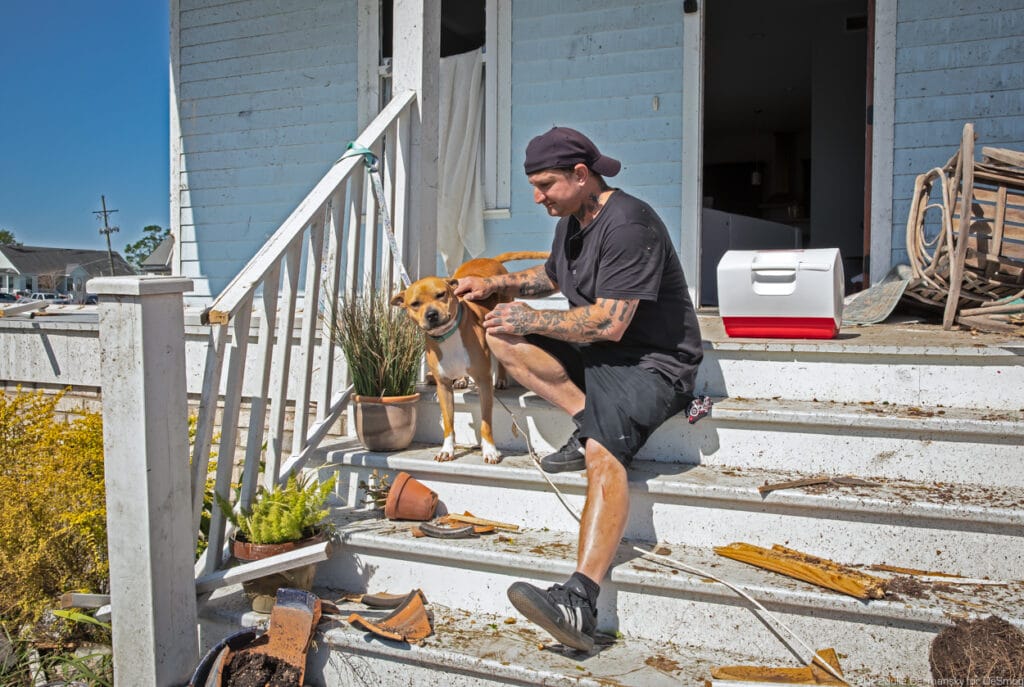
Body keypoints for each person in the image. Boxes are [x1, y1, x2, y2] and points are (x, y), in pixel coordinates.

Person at [454, 127, 705, 652]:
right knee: (501, 333)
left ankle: (580, 600)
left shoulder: (629, 225)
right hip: (601, 352)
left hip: (650, 363)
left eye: (545, 185)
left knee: (602, 452)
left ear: (580, 175)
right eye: (533, 186)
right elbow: (552, 275)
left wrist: (534, 318)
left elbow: (611, 324)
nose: (537, 197)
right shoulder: (573, 220)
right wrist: (497, 286)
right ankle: (588, 416)